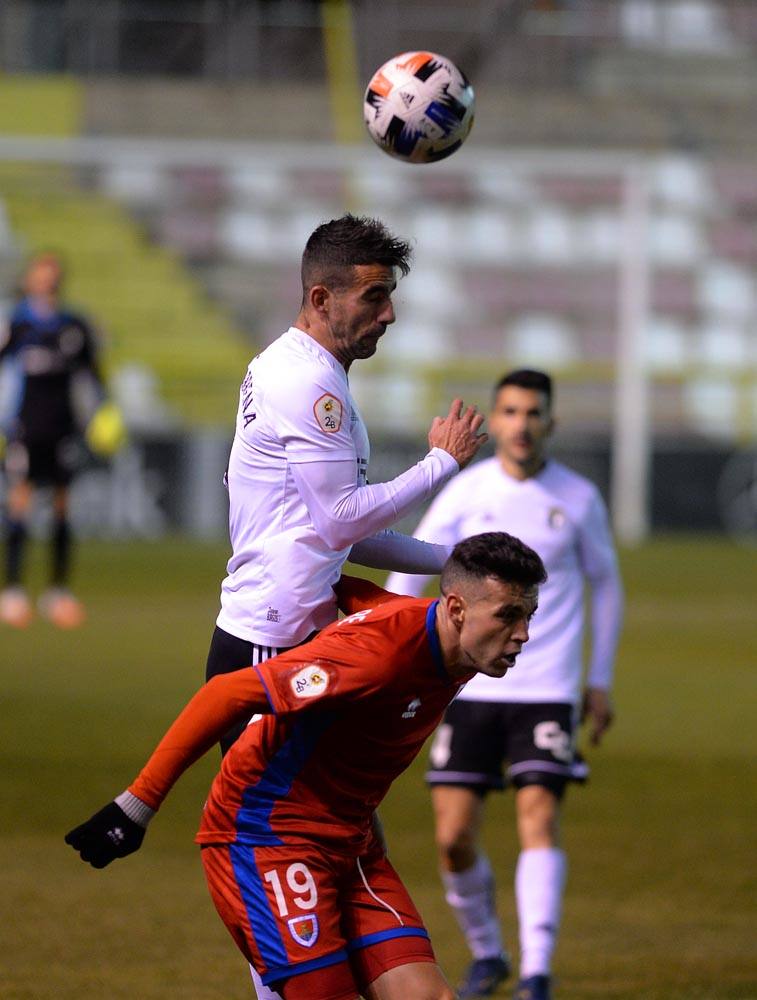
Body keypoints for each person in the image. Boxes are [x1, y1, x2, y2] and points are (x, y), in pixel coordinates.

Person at [66, 532, 548, 1000]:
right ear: (457, 609)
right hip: (266, 838)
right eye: (508, 616)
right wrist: (137, 805)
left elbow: (370, 602)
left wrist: (323, 577)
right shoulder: (376, 657)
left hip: (350, 841)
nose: (523, 634)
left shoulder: (457, 643)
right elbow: (226, 693)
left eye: (528, 615)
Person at [206, 213, 486, 753]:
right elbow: (341, 522)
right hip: (273, 638)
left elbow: (338, 532)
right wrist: (440, 463)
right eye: (374, 296)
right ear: (320, 298)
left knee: (337, 814)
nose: (390, 314)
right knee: (277, 826)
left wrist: (451, 561)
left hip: (294, 631)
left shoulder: (308, 368)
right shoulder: (308, 383)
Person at [386, 370, 624, 1000]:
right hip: (469, 687)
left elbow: (607, 585)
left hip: (546, 686)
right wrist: (392, 644)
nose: (522, 423)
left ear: (551, 422)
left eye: (534, 412)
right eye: (511, 411)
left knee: (538, 816)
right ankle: (490, 953)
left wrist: (596, 680)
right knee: (453, 837)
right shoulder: (467, 492)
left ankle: (538, 971)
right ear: (497, 418)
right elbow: (411, 565)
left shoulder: (577, 497)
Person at [0, 252, 124, 629]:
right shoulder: (17, 324)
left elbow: (94, 375)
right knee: (19, 502)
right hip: (25, 427)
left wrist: (104, 413)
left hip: (63, 428)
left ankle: (57, 592)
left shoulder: (74, 325)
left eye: (52, 271)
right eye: (40, 271)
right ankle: (14, 592)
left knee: (61, 507)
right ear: (29, 278)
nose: (46, 278)